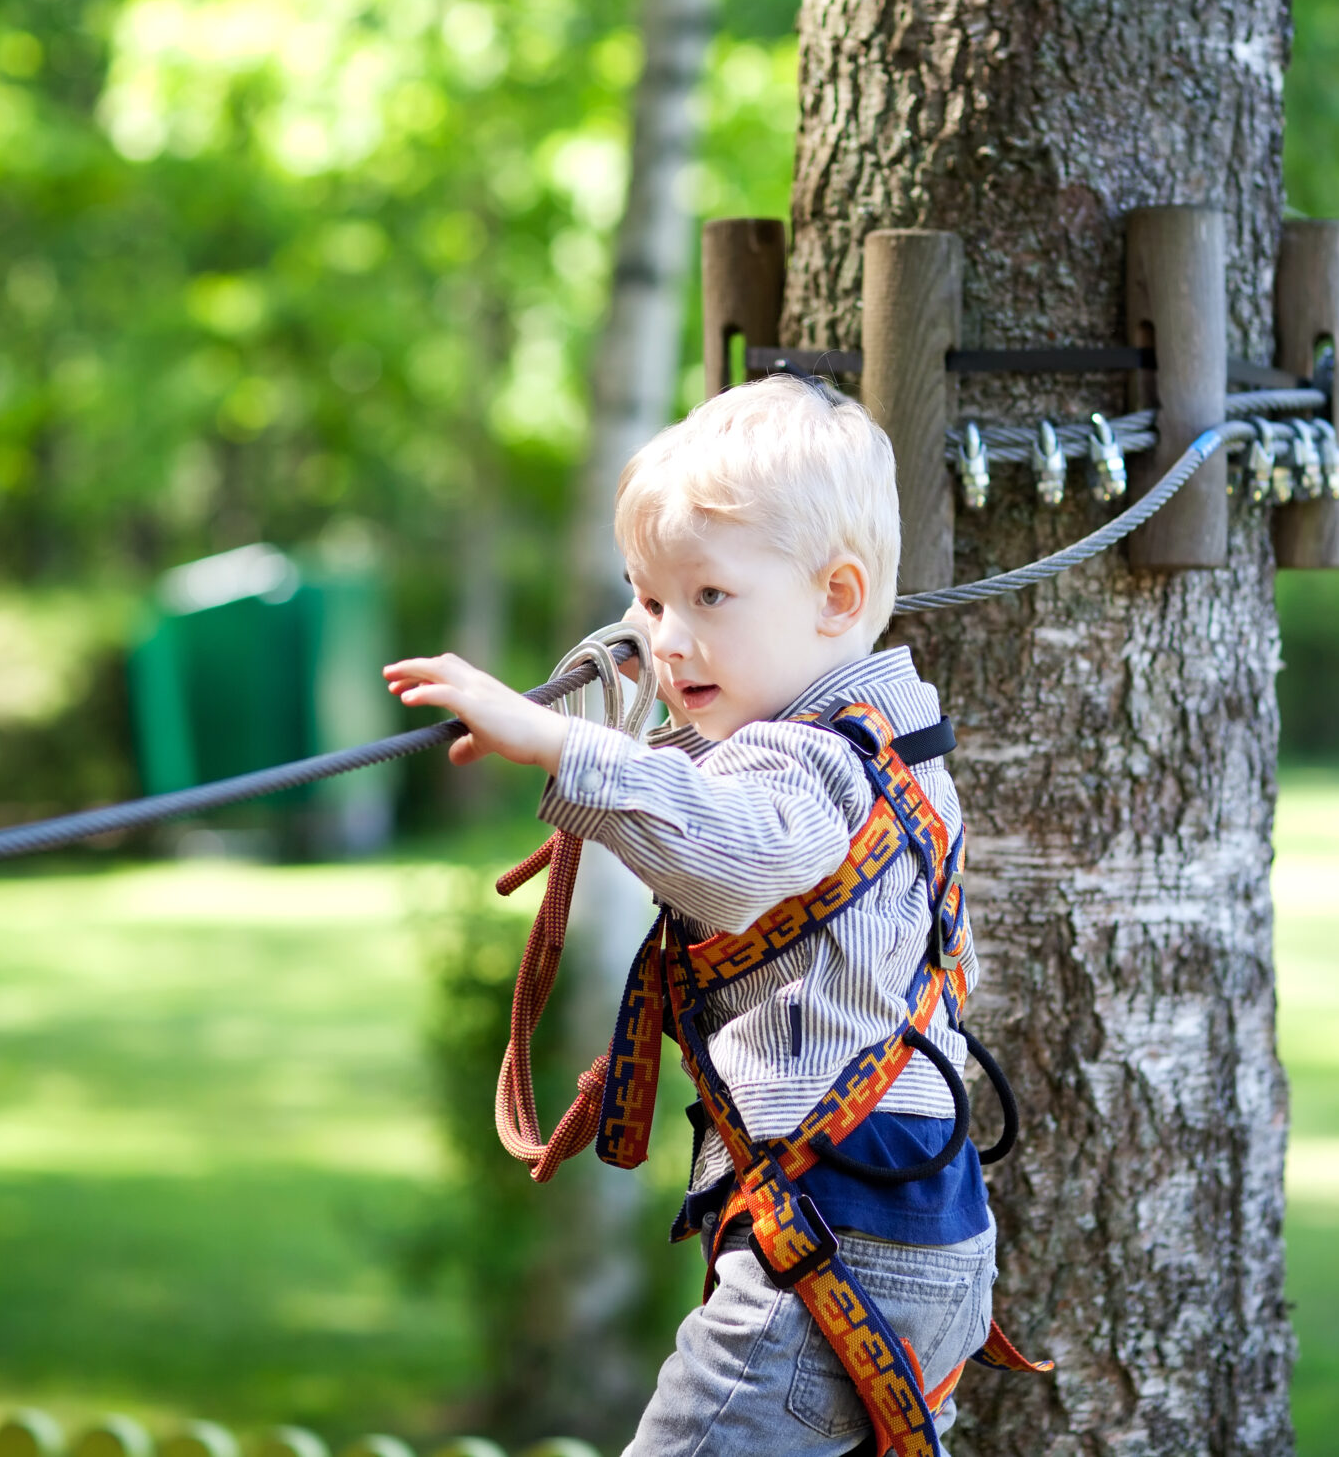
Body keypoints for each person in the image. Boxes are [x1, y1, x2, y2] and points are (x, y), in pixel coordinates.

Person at [384, 373, 1007, 1456]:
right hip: (907, 1231)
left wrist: (562, 747)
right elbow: (697, 784)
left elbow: (732, 854)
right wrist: (585, 712)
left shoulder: (812, 762)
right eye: (648, 599)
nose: (666, 642)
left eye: (707, 599)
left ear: (837, 597)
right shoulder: (883, 742)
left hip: (832, 1238)